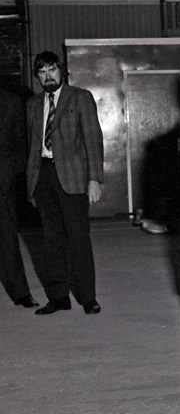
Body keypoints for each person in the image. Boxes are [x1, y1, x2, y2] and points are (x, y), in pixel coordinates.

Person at [26, 51, 104, 315]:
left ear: (62, 71)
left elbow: (93, 140)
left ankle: (87, 297)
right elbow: (33, 146)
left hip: (73, 179)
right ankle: (59, 297)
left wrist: (94, 179)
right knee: (51, 241)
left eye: (52, 70)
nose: (48, 76)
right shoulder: (34, 105)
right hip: (44, 177)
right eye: (42, 72)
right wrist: (31, 183)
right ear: (37, 76)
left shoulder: (81, 97)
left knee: (78, 239)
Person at [0, 87, 39, 308]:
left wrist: (5, 175)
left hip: (1, 184)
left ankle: (21, 293)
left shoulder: (11, 101)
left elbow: (22, 147)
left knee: (7, 240)